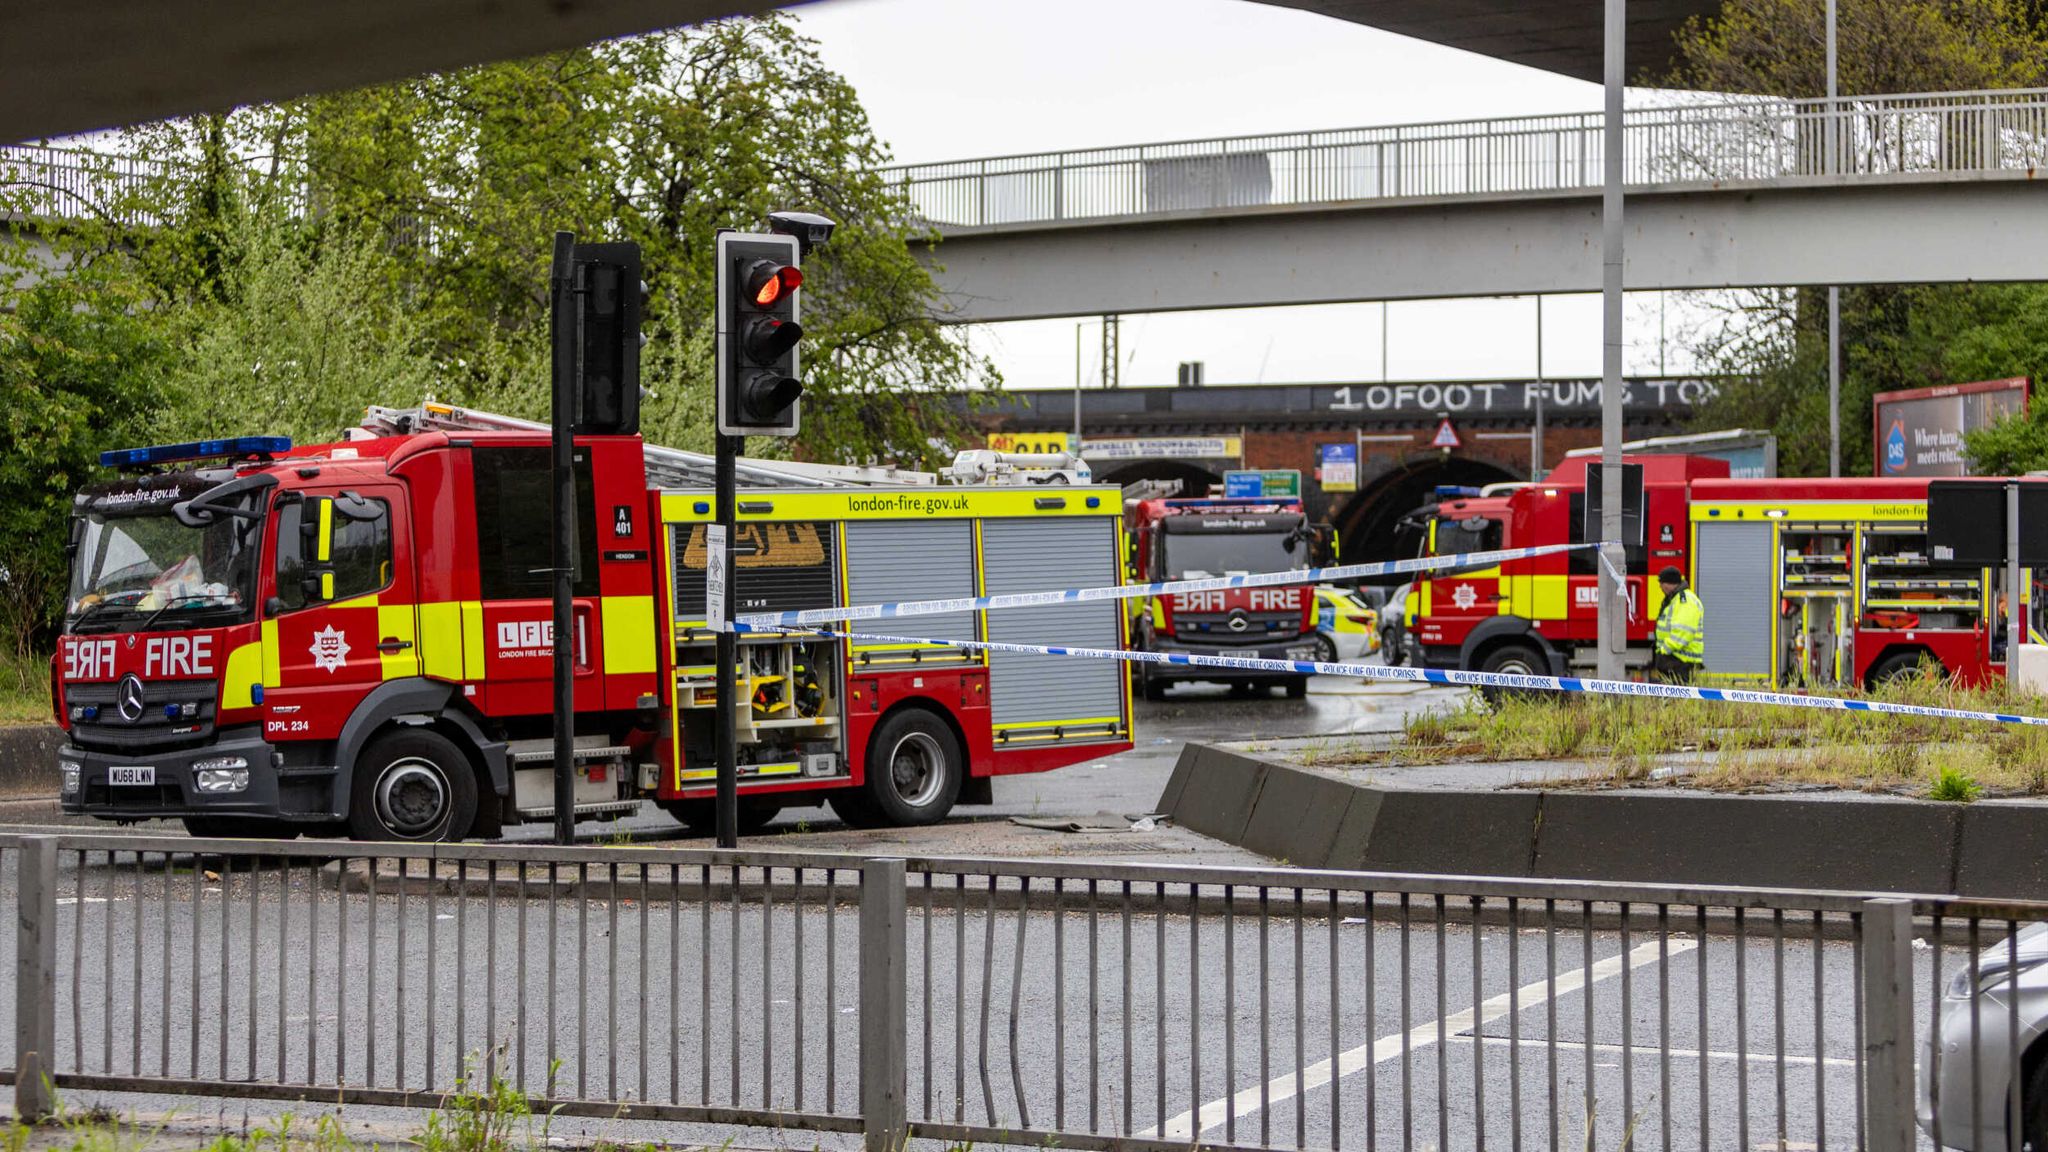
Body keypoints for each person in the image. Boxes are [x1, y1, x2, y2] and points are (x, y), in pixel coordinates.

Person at [1651, 565, 1704, 684]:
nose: (1660, 587)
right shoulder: (1676, 599)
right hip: (1676, 661)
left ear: (1667, 584)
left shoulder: (1684, 601)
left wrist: (1665, 650)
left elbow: (1683, 632)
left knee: (1677, 699)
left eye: (1661, 583)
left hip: (1680, 661)